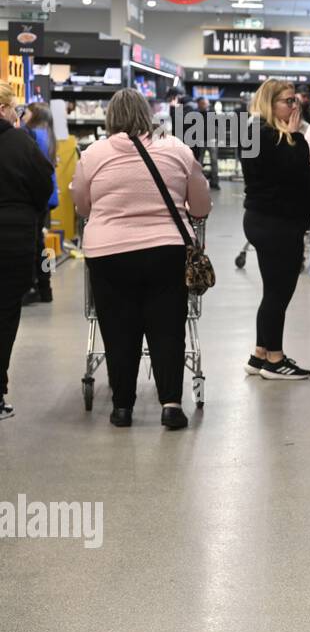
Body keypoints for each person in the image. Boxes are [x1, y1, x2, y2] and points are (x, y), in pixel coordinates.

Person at [71, 89, 211, 429]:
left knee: (119, 329)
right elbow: (201, 206)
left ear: (109, 118)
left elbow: (82, 206)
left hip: (109, 255)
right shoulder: (177, 149)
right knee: (167, 327)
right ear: (148, 115)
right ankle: (172, 405)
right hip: (167, 251)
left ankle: (122, 407)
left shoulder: (93, 154)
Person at [240, 78, 310, 381]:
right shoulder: (275, 137)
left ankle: (259, 353)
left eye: (295, 101)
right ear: (270, 104)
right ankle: (275, 359)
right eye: (288, 101)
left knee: (272, 291)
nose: (294, 107)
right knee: (278, 293)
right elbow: (294, 171)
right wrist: (295, 136)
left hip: (260, 220)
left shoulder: (251, 132)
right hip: (278, 224)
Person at [0, 85, 55, 420]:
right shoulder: (23, 143)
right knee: (5, 315)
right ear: (5, 108)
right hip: (13, 239)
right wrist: (29, 214)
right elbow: (44, 186)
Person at [21, 102, 58, 305]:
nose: (23, 116)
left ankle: (37, 286)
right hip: (48, 196)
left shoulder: (34, 135)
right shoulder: (48, 135)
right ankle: (46, 285)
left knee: (35, 243)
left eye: (25, 112)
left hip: (37, 197)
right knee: (42, 243)